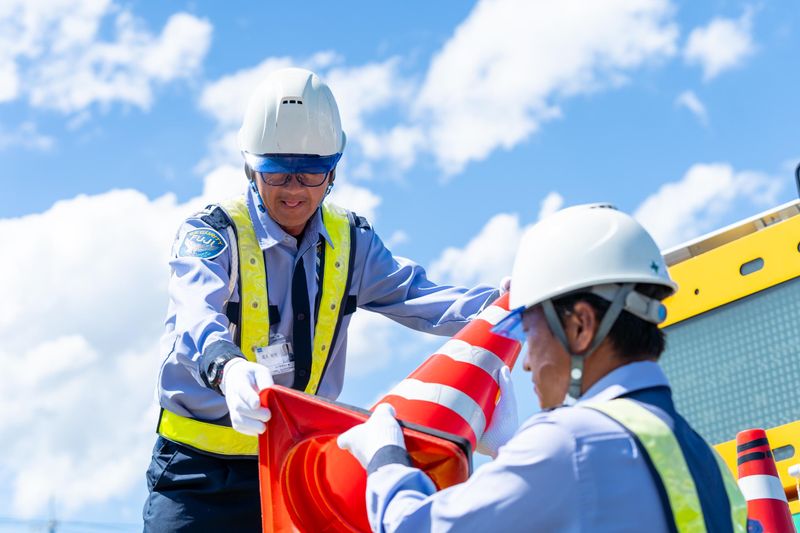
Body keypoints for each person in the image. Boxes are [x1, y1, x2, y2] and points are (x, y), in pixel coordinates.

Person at [142, 67, 504, 531]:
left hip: (297, 465)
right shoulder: (212, 235)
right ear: (250, 168)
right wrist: (226, 367)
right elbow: (196, 313)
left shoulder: (351, 242)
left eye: (310, 173)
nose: (293, 189)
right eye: (277, 172)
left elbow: (422, 298)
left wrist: (511, 303)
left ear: (333, 171)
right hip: (197, 477)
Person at [338, 204, 748, 532]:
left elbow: (414, 528)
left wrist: (386, 457)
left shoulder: (569, 443)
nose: (528, 361)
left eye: (528, 331)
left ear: (581, 325)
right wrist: (511, 456)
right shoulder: (710, 465)